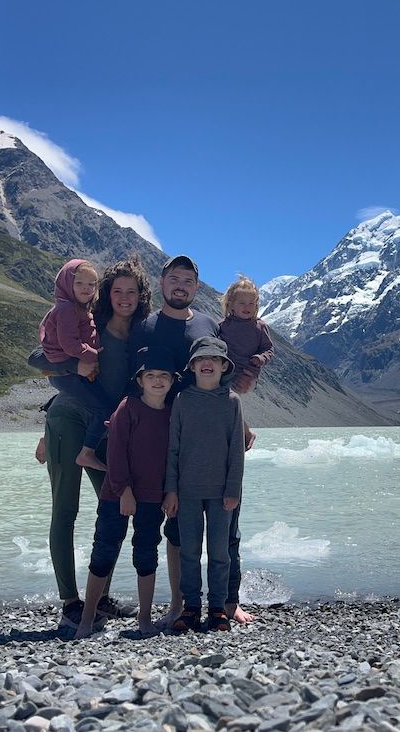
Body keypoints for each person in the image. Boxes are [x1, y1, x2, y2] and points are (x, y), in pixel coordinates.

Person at [34, 258, 184, 630]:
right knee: (65, 511)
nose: (124, 298)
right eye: (116, 290)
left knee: (116, 510)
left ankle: (99, 598)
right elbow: (39, 357)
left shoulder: (142, 336)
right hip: (68, 421)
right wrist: (72, 371)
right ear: (106, 293)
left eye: (131, 291)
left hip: (106, 431)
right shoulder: (87, 323)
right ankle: (71, 600)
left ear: (141, 296)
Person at [129, 255, 256, 626]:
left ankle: (226, 604)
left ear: (197, 287)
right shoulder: (145, 325)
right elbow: (127, 374)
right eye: (174, 278)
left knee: (225, 538)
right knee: (174, 531)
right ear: (162, 281)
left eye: (187, 279)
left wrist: (242, 423)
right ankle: (180, 605)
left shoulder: (207, 324)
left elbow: (227, 376)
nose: (180, 285)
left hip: (211, 443)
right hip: (163, 439)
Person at [74, 346, 177, 639]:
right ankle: (87, 618)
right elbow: (116, 453)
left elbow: (172, 457)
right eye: (151, 376)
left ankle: (144, 618)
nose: (158, 381)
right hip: (117, 494)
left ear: (172, 381)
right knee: (104, 550)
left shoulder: (171, 415)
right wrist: (125, 491)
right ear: (140, 380)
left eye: (164, 376)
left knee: (146, 554)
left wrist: (171, 491)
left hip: (153, 496)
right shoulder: (127, 408)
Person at [162, 336, 245, 633]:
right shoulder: (183, 400)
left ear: (224, 366)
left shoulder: (232, 402)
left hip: (223, 493)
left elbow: (237, 449)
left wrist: (233, 490)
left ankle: (218, 608)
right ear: (193, 366)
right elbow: (173, 448)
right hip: (187, 493)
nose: (207, 363)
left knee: (220, 552)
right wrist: (171, 489)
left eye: (214, 359)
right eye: (200, 359)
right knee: (189, 552)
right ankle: (191, 607)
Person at [38, 259, 114, 472]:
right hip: (66, 377)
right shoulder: (67, 309)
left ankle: (86, 450)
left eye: (92, 284)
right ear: (66, 283)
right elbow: (67, 344)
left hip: (67, 375)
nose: (86, 289)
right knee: (104, 408)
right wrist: (91, 355)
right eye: (79, 283)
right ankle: (87, 453)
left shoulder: (79, 309)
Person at [219, 276, 275, 394]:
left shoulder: (259, 326)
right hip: (224, 371)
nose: (247, 307)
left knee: (230, 397)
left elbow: (268, 349)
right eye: (242, 303)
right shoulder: (223, 325)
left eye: (251, 303)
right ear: (231, 304)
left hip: (247, 372)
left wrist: (261, 358)